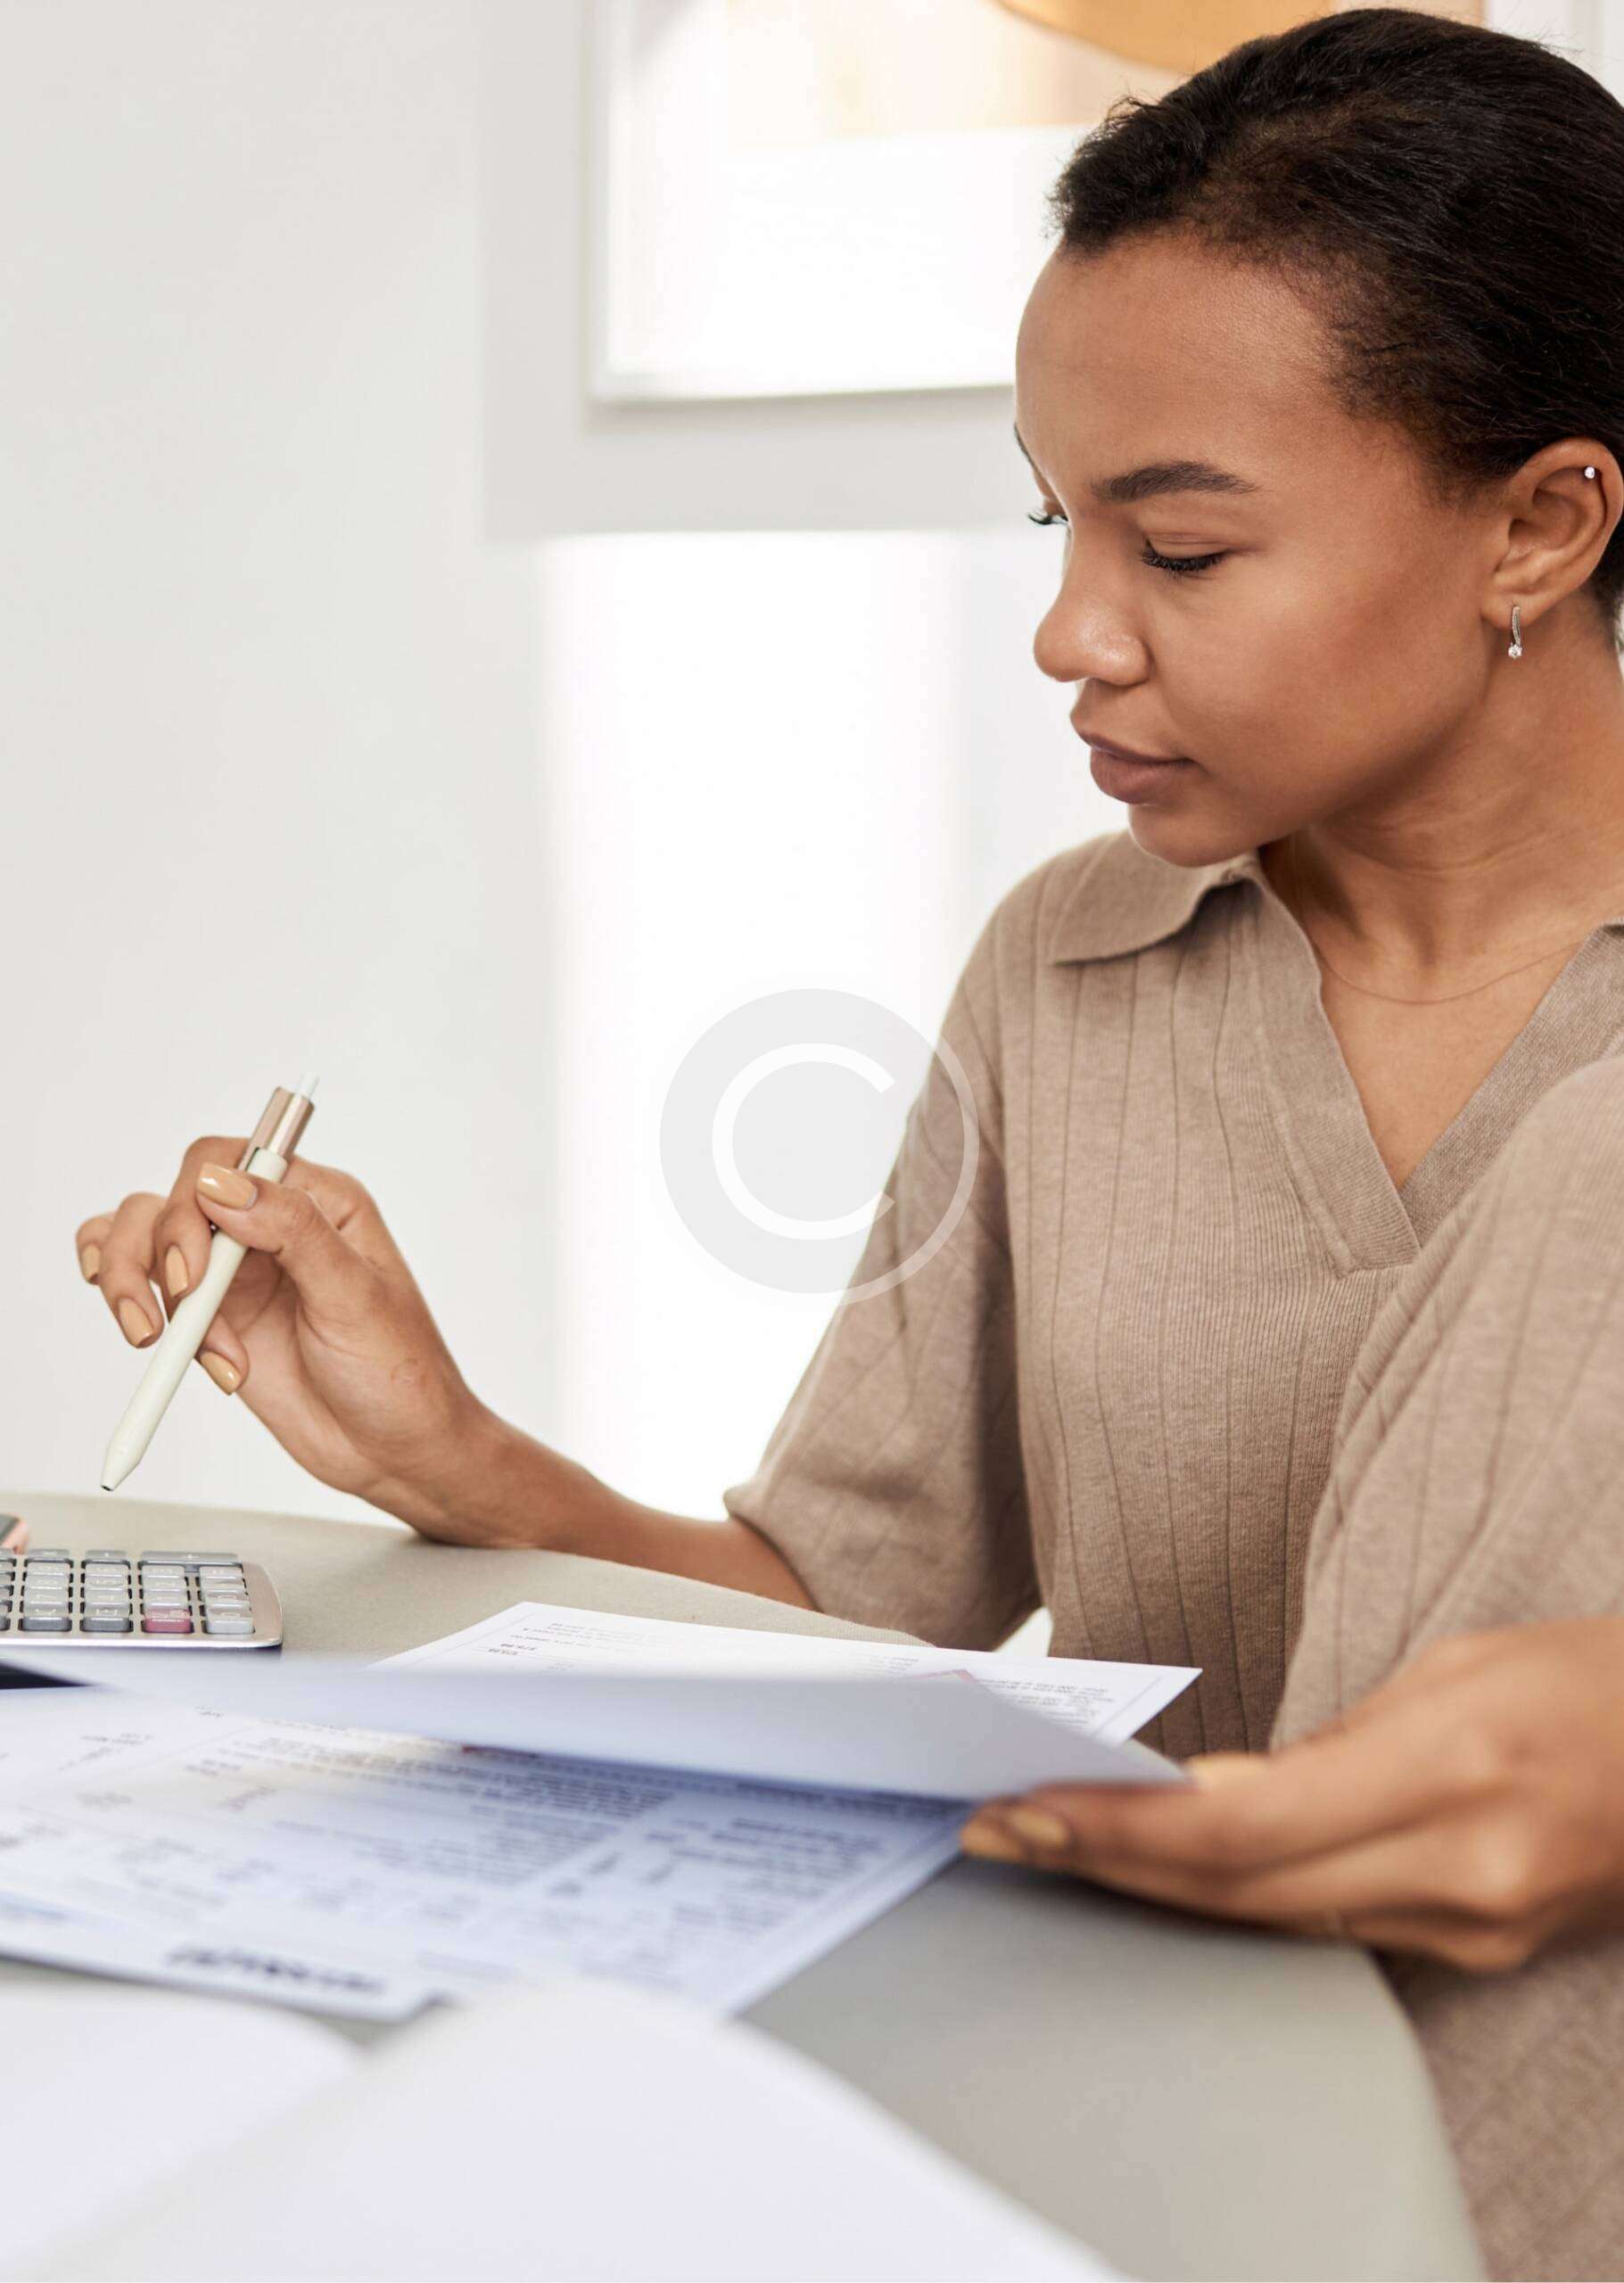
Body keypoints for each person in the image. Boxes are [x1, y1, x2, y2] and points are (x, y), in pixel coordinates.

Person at [76, 10, 1624, 2274]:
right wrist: (458, 1454)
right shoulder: (1076, 965)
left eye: (1181, 548)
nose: (1067, 632)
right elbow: (852, 1622)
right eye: (1057, 523)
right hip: (1119, 2101)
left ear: (1539, 522)